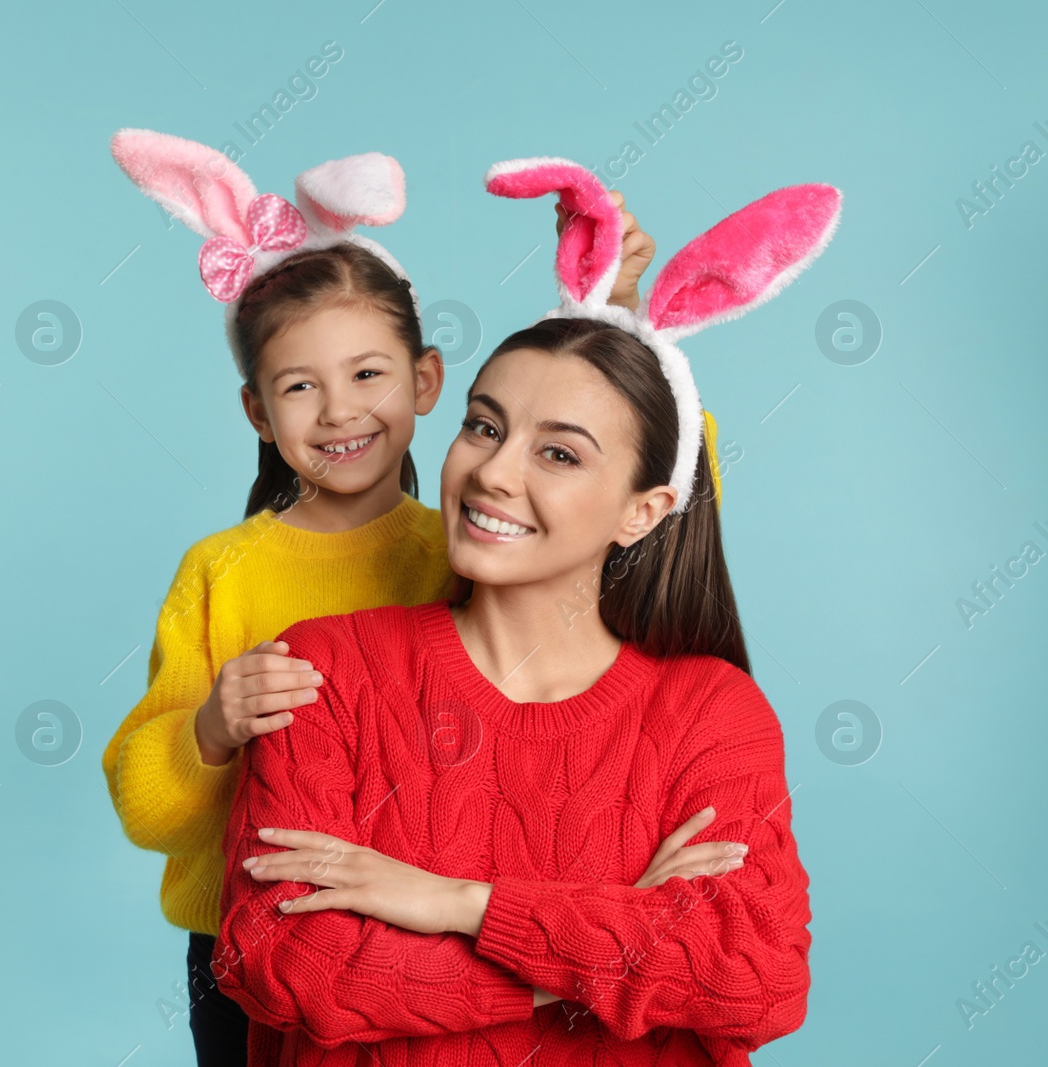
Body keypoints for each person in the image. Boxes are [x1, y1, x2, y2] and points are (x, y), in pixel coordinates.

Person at [100, 131, 735, 1066]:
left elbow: (626, 487)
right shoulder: (222, 571)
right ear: (257, 414)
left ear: (427, 380)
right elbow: (146, 806)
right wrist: (210, 728)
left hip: (443, 904)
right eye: (299, 388)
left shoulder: (473, 539)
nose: (339, 412)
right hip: (259, 938)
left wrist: (622, 322)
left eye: (368, 375)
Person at [212, 158, 841, 1065]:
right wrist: (604, 939)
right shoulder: (323, 674)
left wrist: (459, 902)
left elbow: (753, 978)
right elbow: (284, 960)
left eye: (560, 454)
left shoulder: (712, 714)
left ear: (645, 509)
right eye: (485, 426)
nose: (495, 472)